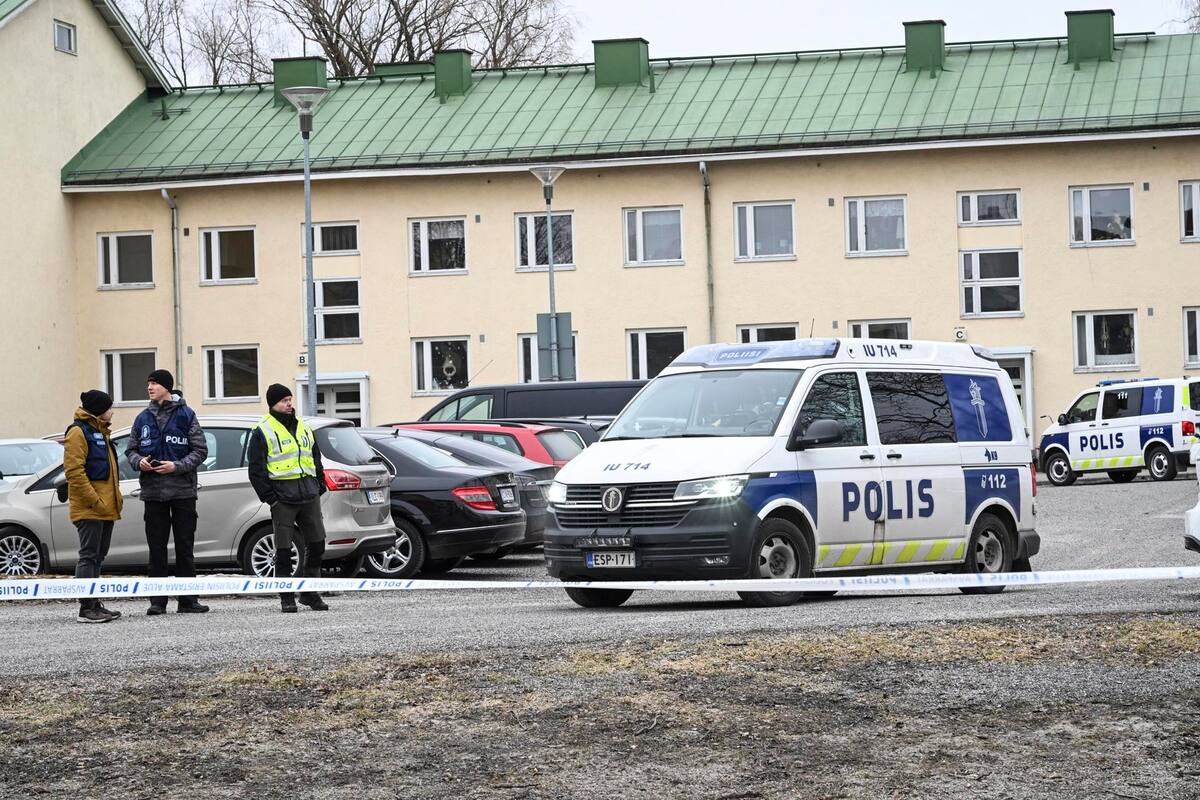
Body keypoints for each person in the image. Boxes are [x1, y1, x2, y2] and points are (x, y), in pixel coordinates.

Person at [125, 369, 209, 616]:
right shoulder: (142, 418)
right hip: (153, 493)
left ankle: (188, 600)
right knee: (156, 548)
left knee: (185, 547)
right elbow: (130, 450)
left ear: (167, 388)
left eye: (155, 383)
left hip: (182, 491)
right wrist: (139, 461)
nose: (150, 387)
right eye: (148, 383)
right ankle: (157, 602)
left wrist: (176, 466)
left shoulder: (186, 414)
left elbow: (200, 451)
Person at [247, 384, 330, 613]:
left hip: (308, 494)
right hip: (283, 498)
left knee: (317, 543)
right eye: (284, 400)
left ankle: (309, 593)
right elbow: (256, 470)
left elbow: (315, 458)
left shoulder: (303, 427)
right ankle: (286, 597)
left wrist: (319, 485)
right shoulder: (263, 430)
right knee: (283, 549)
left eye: (290, 399)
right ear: (273, 404)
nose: (289, 404)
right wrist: (271, 498)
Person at [64, 390, 123, 623]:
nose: (112, 412)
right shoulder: (78, 432)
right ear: (99, 410)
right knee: (88, 556)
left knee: (98, 556)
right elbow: (74, 472)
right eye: (109, 408)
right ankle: (86, 608)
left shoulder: (101, 432)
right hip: (90, 508)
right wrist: (94, 501)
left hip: (105, 508)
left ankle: (95, 603)